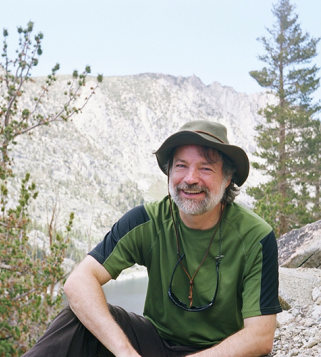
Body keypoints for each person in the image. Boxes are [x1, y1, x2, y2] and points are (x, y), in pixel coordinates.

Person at [22, 120, 282, 357]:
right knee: (77, 318)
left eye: (206, 168)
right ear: (169, 173)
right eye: (181, 166)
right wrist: (125, 351)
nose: (190, 179)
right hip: (156, 343)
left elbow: (260, 337)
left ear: (227, 178)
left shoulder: (256, 237)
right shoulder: (146, 221)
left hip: (224, 351)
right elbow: (78, 282)